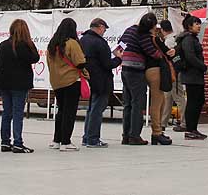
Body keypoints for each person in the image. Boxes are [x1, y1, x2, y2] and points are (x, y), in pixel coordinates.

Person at [0, 19, 40, 153]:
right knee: (18, 113)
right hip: (20, 83)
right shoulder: (25, 45)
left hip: (4, 82)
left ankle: (5, 142)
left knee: (7, 112)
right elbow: (35, 58)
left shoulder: (3, 45)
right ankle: (18, 142)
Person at [119, 13, 165, 145]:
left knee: (128, 104)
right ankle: (134, 136)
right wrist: (163, 52)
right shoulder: (143, 35)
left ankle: (126, 136)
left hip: (125, 69)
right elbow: (154, 53)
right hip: (136, 70)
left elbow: (120, 45)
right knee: (137, 103)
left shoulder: (129, 30)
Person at [47, 18, 88, 152]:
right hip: (71, 80)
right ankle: (66, 141)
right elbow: (80, 62)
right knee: (69, 112)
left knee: (61, 111)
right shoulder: (72, 43)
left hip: (56, 82)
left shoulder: (52, 44)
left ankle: (57, 140)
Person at [80, 18, 122, 148]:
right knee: (97, 110)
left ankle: (87, 137)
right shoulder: (99, 42)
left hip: (90, 78)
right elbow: (107, 64)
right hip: (102, 80)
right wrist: (118, 58)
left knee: (91, 109)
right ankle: (93, 139)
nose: (104, 32)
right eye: (104, 29)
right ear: (100, 27)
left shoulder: (83, 40)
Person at [176, 15, 208, 140]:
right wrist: (203, 67)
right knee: (193, 102)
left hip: (196, 75)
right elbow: (190, 57)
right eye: (196, 24)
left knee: (198, 101)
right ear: (189, 26)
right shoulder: (188, 39)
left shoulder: (192, 38)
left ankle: (193, 128)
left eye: (199, 23)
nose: (199, 26)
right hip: (191, 75)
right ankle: (190, 129)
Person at [159, 20, 187, 132]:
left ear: (162, 30)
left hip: (173, 73)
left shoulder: (169, 41)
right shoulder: (175, 38)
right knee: (168, 98)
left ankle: (184, 122)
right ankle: (163, 122)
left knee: (178, 97)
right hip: (173, 72)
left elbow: (166, 57)